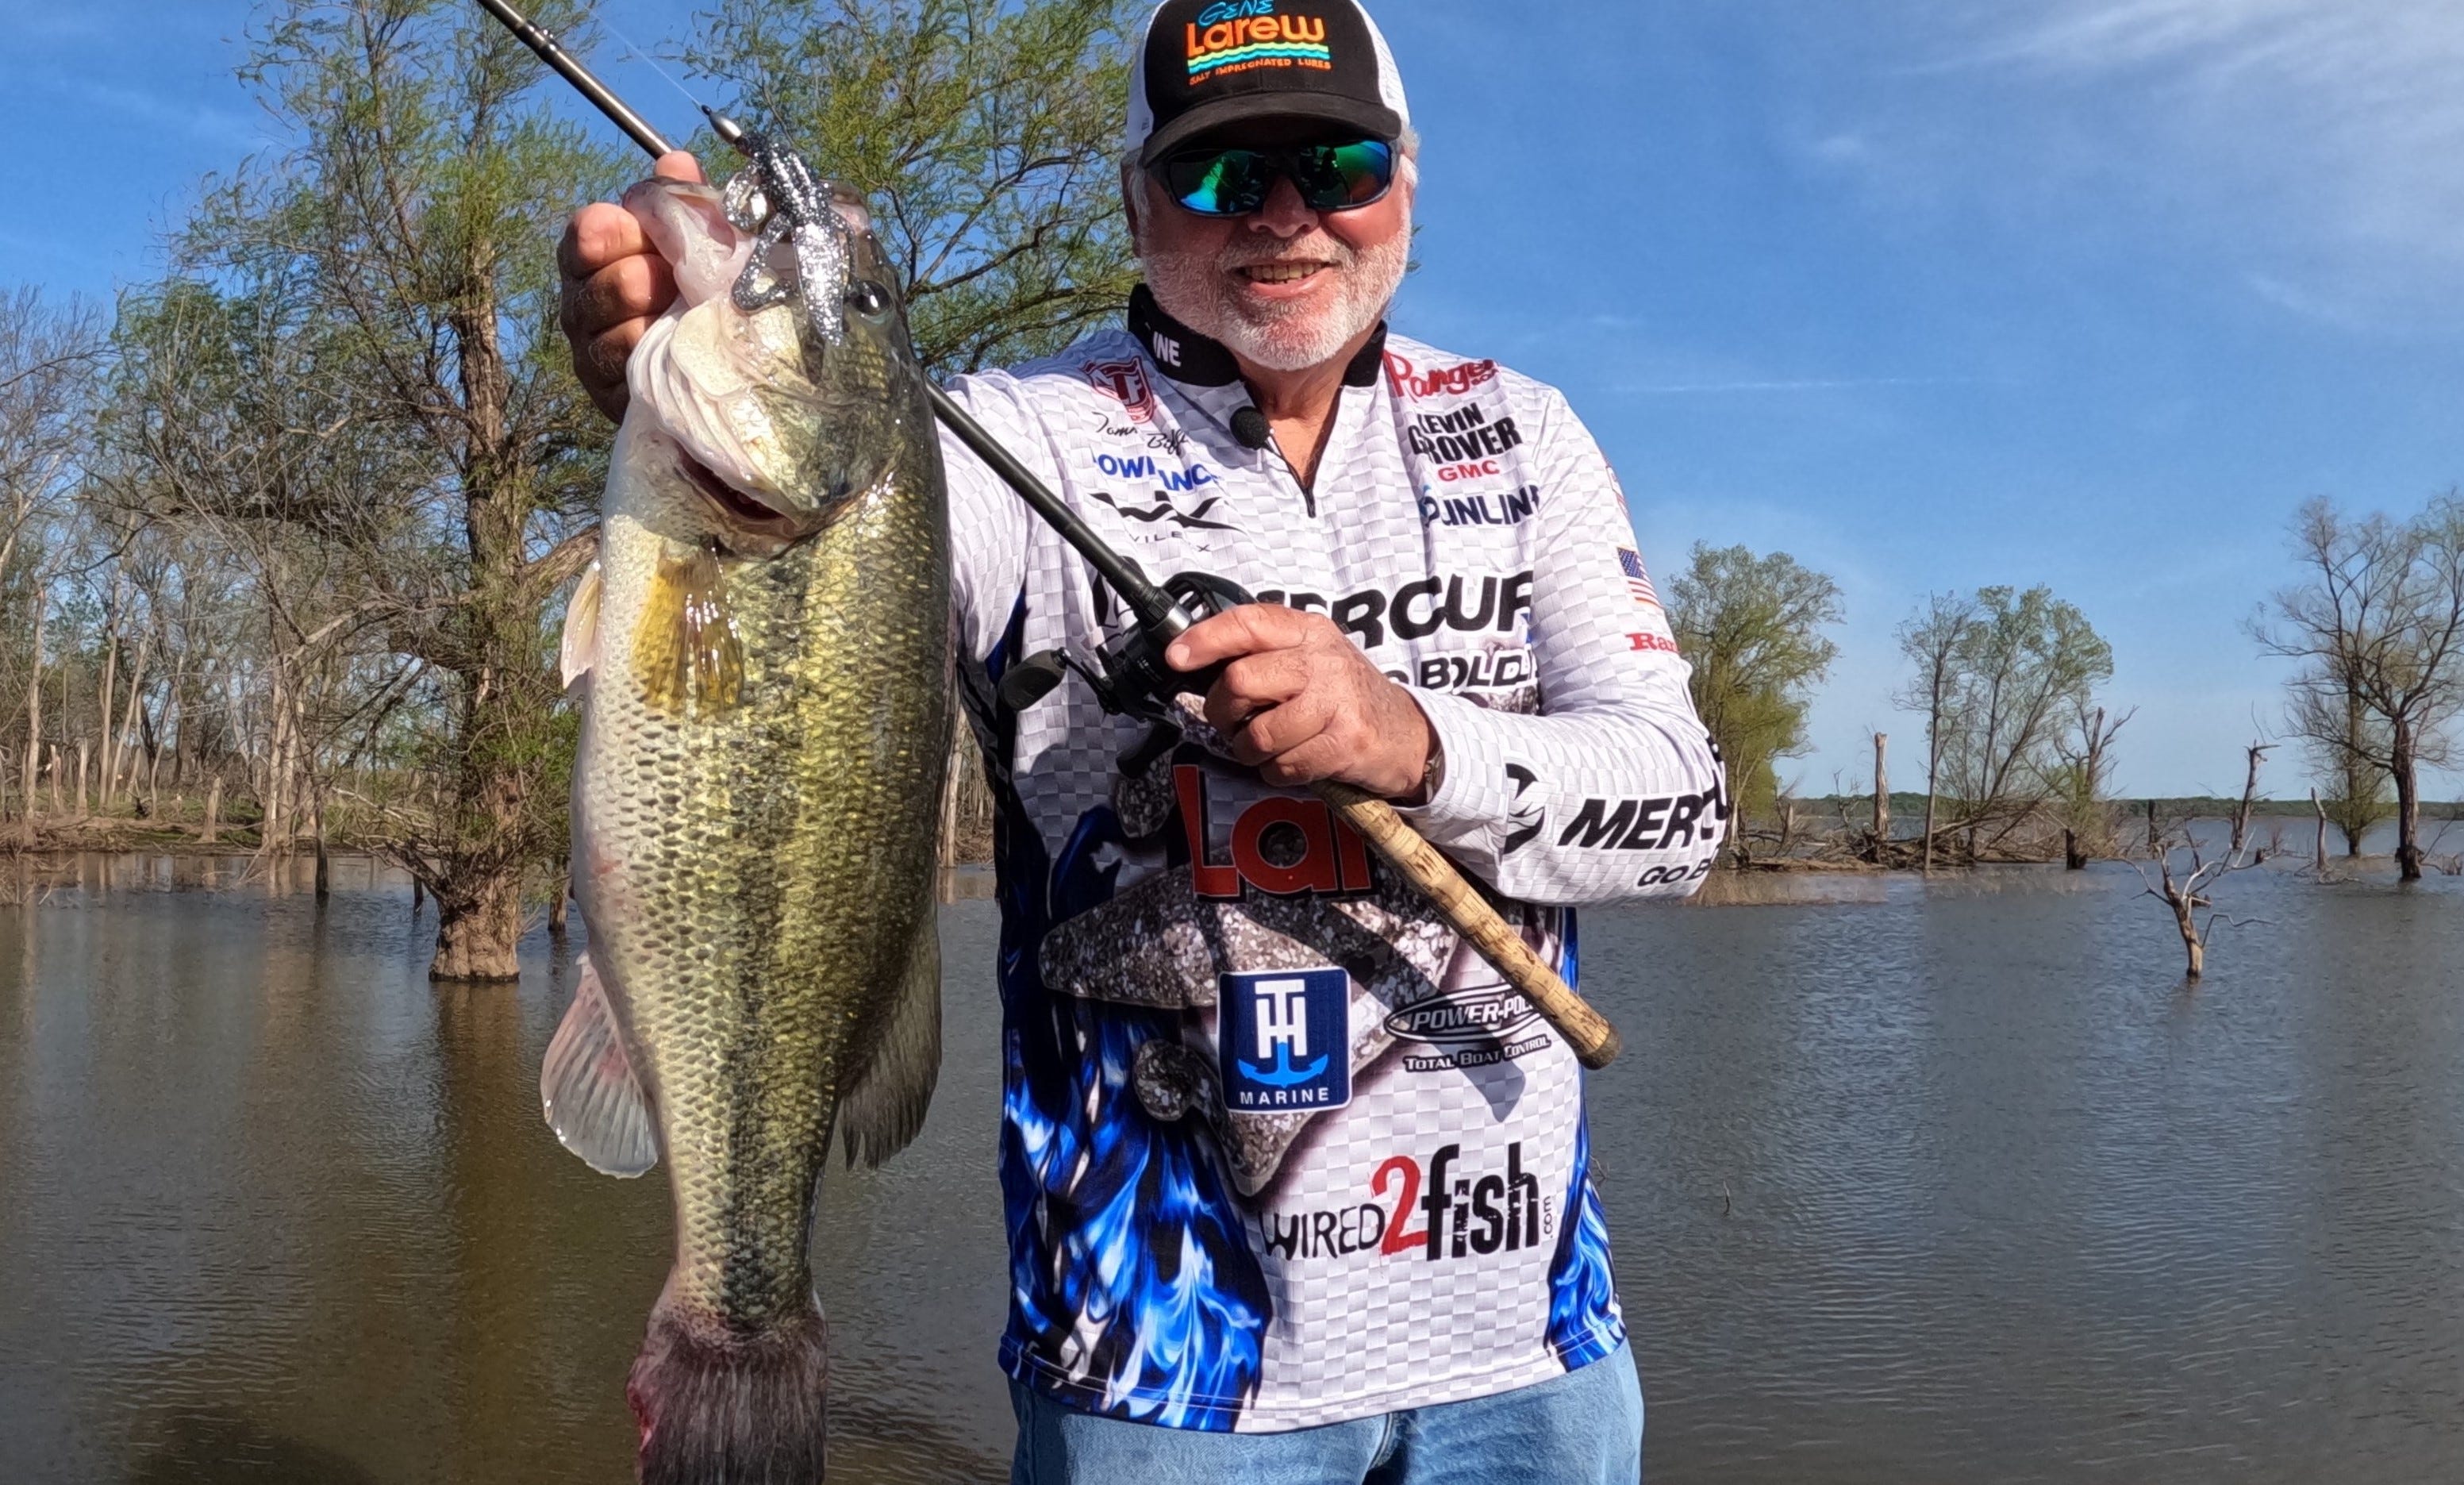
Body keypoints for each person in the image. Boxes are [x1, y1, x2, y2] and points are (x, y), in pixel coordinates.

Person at [560, 1, 1726, 1477]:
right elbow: (813, 582)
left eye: (1336, 166)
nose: (1287, 218)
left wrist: (1412, 741)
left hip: (1535, 1358)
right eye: (1223, 176)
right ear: (1134, 200)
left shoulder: (1524, 434)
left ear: (1406, 188)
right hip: (1156, 1386)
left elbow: (1683, 810)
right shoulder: (993, 443)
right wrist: (669, 349)